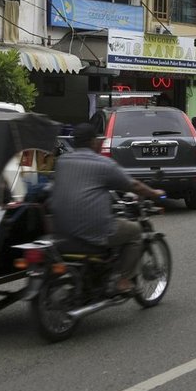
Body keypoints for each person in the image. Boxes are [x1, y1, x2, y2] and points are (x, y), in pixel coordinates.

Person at [50, 122, 165, 294]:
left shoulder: (61, 162)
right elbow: (133, 185)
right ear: (93, 142)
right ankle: (123, 280)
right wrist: (154, 193)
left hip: (61, 231)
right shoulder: (103, 164)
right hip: (93, 232)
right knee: (134, 231)